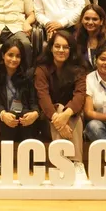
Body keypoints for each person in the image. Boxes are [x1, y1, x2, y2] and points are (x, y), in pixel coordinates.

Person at [34, 30, 87, 177]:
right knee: (59, 108)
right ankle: (65, 162)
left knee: (71, 113)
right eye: (57, 46)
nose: (61, 50)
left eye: (65, 47)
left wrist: (66, 115)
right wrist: (58, 120)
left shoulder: (79, 69)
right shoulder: (41, 69)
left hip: (73, 117)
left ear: (71, 49)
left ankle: (75, 164)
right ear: (51, 48)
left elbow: (80, 95)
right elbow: (43, 97)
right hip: (48, 119)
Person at [0, 37, 40, 143]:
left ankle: (29, 154)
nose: (14, 59)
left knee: (25, 113)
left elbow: (34, 102)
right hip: (5, 119)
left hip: (24, 119)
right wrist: (3, 115)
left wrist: (35, 114)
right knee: (9, 116)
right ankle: (6, 154)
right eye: (10, 55)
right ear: (3, 55)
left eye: (18, 56)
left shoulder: (28, 76)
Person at [74, 4, 106, 69]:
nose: (90, 22)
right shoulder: (77, 37)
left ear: (101, 21)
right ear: (82, 20)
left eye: (95, 19)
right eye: (87, 18)